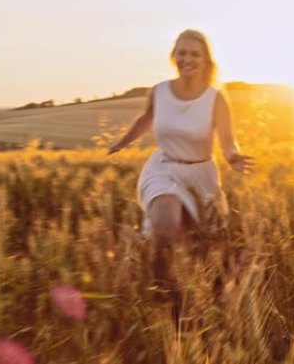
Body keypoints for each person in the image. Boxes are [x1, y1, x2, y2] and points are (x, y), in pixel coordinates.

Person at [108, 29, 254, 308]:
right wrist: (122, 141)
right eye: (181, 52)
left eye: (194, 54)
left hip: (200, 175)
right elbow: (146, 120)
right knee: (167, 222)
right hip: (163, 168)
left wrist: (232, 156)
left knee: (199, 245)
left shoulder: (216, 98)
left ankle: (187, 295)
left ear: (206, 61)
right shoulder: (160, 91)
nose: (187, 59)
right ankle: (161, 294)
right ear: (173, 55)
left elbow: (227, 139)